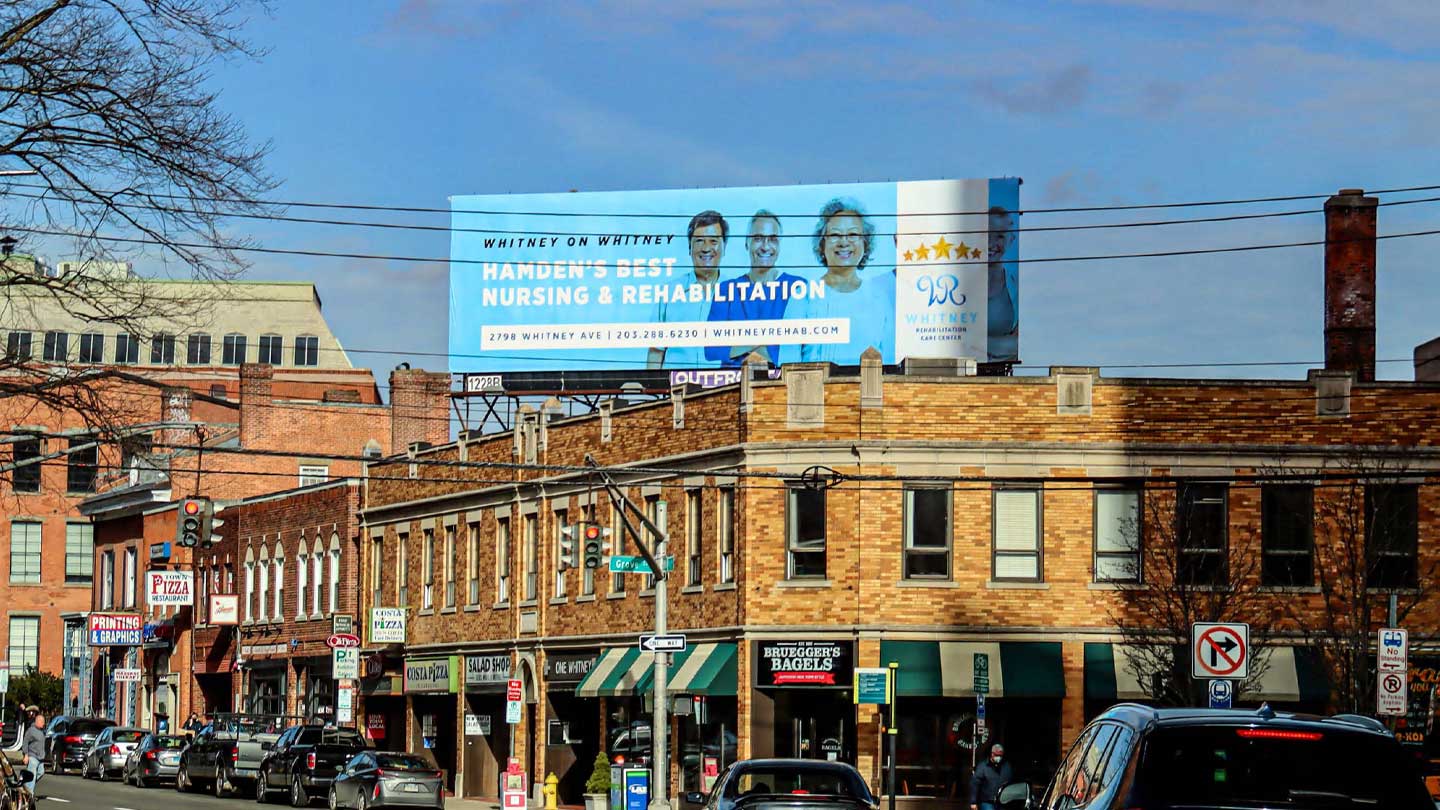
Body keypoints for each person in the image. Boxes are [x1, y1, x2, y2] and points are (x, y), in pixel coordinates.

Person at [794, 198, 893, 362]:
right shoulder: (803, 296)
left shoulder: (879, 298)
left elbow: (889, 363)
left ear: (865, 242)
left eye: (853, 234)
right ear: (822, 243)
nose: (844, 242)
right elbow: (786, 362)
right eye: (835, 235)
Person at [704, 210, 806, 366]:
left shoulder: (797, 287)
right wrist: (761, 345)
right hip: (732, 385)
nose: (766, 247)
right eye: (758, 238)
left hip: (780, 385)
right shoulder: (726, 289)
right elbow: (711, 350)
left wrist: (738, 346)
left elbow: (795, 353)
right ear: (746, 243)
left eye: (772, 239)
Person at [648, 210, 728, 369]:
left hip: (725, 390)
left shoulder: (738, 293)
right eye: (699, 241)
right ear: (689, 247)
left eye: (713, 241)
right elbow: (656, 353)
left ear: (724, 247)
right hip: (675, 389)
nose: (706, 248)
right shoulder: (669, 292)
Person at [986, 205, 1019, 362]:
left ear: (1011, 239)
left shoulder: (1015, 287)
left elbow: (1015, 343)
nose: (990, 243)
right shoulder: (955, 283)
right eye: (986, 234)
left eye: (999, 236)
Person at [970, 742, 1012, 810]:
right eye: (997, 755)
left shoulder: (1007, 766)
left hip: (1003, 802)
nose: (999, 757)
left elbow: (1011, 783)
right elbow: (975, 784)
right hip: (987, 802)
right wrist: (973, 802)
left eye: (1001, 755)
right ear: (992, 754)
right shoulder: (983, 766)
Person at [22, 713, 45, 796]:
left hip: (40, 758)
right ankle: (29, 793)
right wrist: (26, 755)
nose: (44, 723)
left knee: (41, 772)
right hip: (32, 756)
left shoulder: (42, 731)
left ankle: (26, 784)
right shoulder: (31, 730)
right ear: (37, 721)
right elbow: (25, 743)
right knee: (33, 773)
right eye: (42, 721)